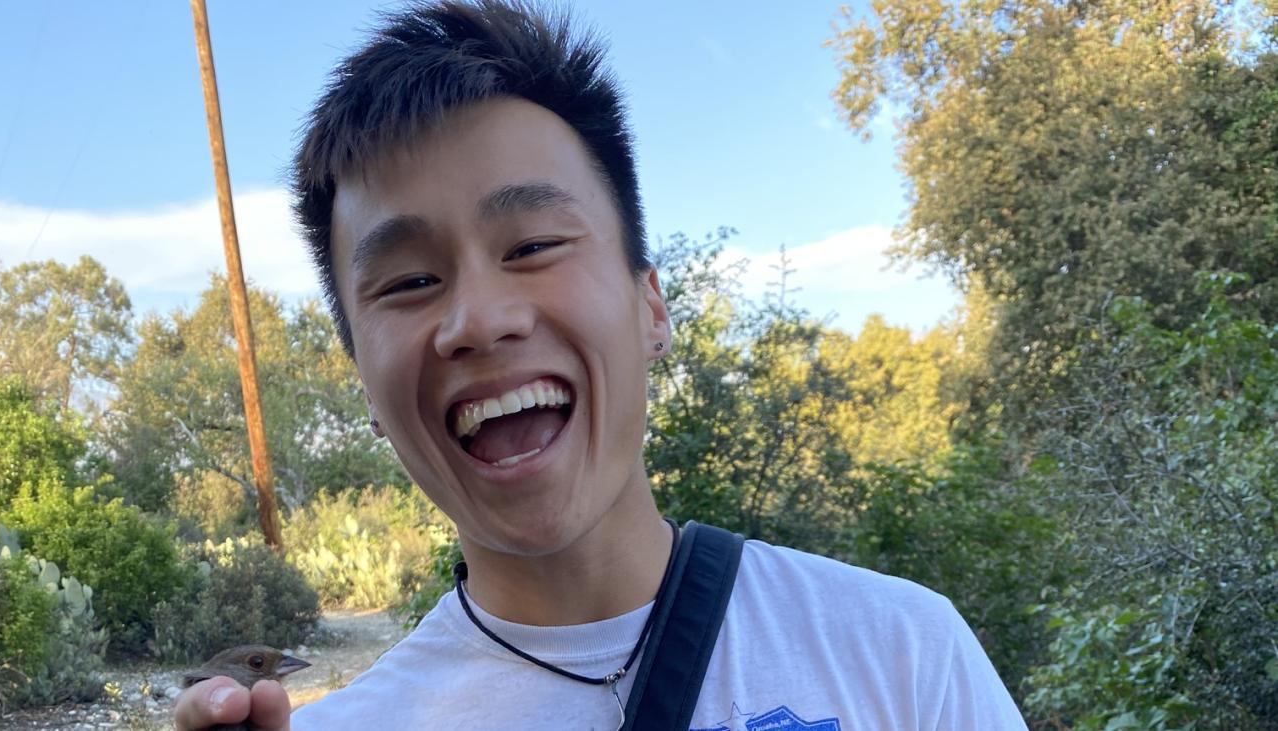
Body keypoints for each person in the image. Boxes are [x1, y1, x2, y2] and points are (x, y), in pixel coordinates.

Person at [176, 1, 1027, 728]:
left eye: (535, 244)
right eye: (409, 281)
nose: (478, 318)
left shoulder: (903, 653)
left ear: (651, 306)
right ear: (363, 378)